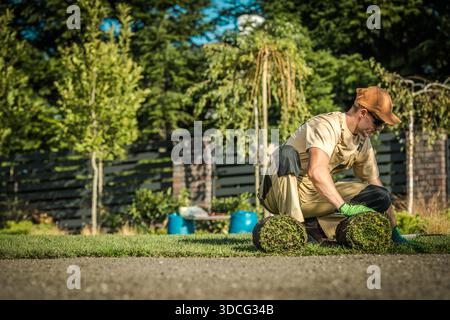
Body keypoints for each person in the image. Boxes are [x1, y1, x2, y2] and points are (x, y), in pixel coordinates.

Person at [258, 86, 409, 244]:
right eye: (378, 122)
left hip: (313, 197)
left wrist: (394, 230)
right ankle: (294, 227)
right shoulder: (326, 126)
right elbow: (316, 171)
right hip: (276, 193)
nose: (379, 128)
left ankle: (315, 229)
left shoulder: (362, 142)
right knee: (285, 153)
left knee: (379, 195)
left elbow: (374, 181)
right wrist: (344, 207)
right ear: (363, 113)